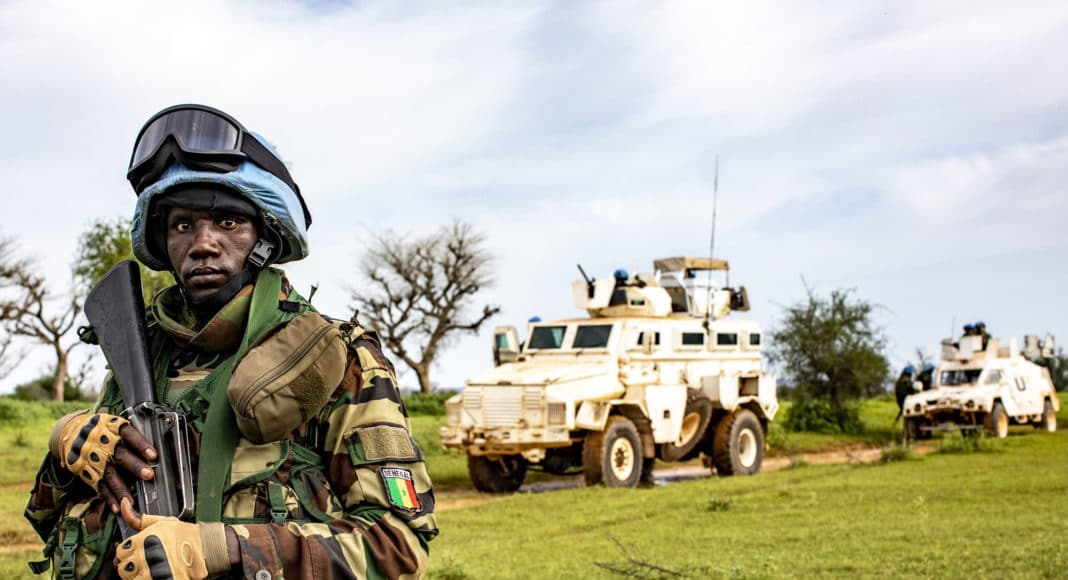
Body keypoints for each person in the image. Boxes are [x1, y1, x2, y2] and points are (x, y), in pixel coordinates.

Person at [24, 104, 436, 579]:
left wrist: (223, 549)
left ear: (265, 238)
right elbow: (50, 522)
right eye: (183, 225)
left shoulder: (338, 356)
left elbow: (399, 545)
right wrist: (63, 450)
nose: (203, 243)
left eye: (228, 223)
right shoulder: (139, 357)